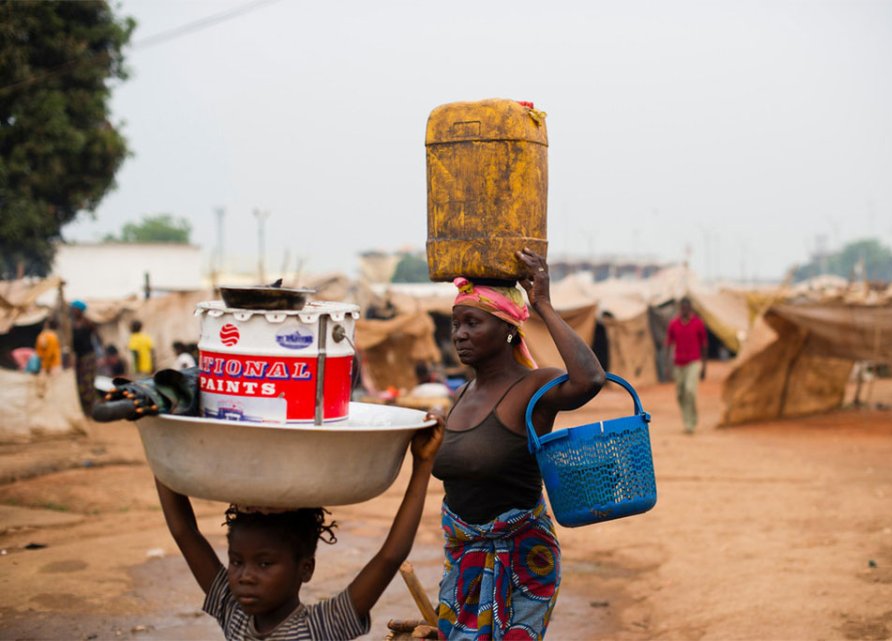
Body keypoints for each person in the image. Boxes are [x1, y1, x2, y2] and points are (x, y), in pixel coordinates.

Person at [431, 248, 605, 640]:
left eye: (472, 322)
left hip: (521, 562)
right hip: (463, 561)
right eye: (456, 324)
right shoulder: (461, 395)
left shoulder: (532, 388)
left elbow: (590, 380)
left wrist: (542, 304)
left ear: (508, 328)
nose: (459, 334)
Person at [154, 418, 444, 640]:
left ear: (305, 569)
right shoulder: (233, 612)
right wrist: (159, 440)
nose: (245, 577)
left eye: (265, 563)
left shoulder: (322, 626)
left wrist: (422, 464)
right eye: (236, 562)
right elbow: (184, 531)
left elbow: (390, 557)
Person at [665, 296, 708, 434]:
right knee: (680, 394)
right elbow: (668, 344)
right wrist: (666, 365)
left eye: (686, 307)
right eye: (682, 308)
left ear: (690, 308)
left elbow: (704, 345)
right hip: (679, 363)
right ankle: (686, 419)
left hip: (693, 362)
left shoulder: (698, 323)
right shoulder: (674, 324)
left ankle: (691, 422)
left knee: (690, 391)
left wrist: (704, 366)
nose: (684, 310)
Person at [68, 300, 101, 416]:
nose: (73, 311)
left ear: (80, 311)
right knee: (79, 383)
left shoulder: (88, 323)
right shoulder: (70, 324)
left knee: (88, 383)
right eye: (72, 309)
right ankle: (83, 409)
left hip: (88, 356)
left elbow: (98, 339)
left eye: (75, 309)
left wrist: (100, 355)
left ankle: (91, 409)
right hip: (78, 357)